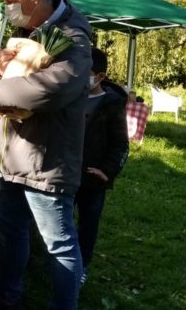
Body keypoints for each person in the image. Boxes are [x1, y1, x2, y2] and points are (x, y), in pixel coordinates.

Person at [0, 0, 92, 310]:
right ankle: (8, 297)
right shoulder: (27, 29)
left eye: (11, 0)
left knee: (59, 244)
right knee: (12, 231)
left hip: (46, 159)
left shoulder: (73, 37)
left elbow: (50, 90)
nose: (8, 7)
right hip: (13, 155)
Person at [76, 47, 129, 285]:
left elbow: (120, 144)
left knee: (88, 224)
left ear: (100, 77)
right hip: (67, 173)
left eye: (85, 73)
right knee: (62, 222)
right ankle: (63, 262)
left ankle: (82, 266)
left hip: (93, 180)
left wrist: (107, 171)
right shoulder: (72, 96)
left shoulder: (112, 104)